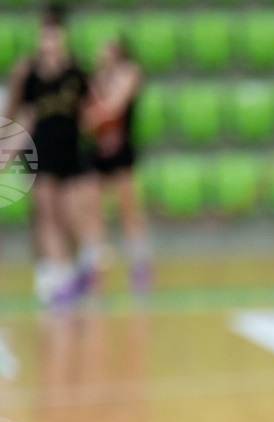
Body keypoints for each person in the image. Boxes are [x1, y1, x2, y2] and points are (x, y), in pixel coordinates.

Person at [3, 3, 105, 310]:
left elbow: (92, 109)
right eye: (45, 35)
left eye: (54, 35)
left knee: (69, 215)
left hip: (70, 151)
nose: (49, 41)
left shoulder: (75, 73)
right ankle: (58, 276)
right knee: (46, 213)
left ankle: (76, 267)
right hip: (40, 150)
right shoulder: (29, 74)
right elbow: (14, 112)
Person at [86, 36, 150, 294]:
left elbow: (114, 107)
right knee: (95, 213)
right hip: (98, 151)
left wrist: (93, 115)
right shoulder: (95, 79)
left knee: (128, 210)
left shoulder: (129, 73)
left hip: (122, 150)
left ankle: (139, 265)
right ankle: (97, 268)